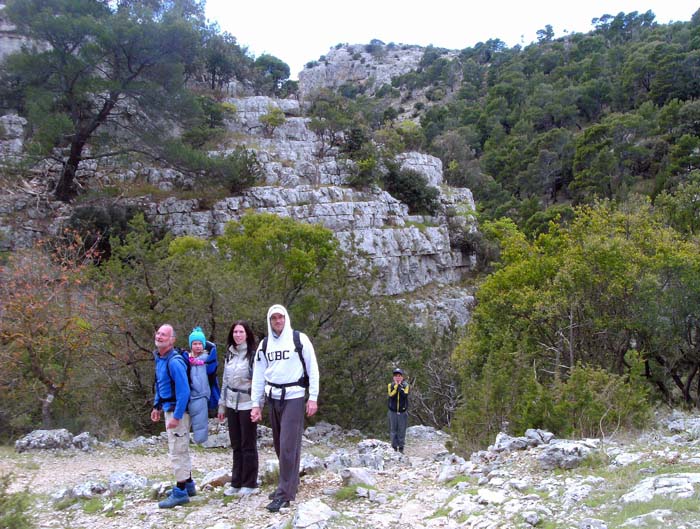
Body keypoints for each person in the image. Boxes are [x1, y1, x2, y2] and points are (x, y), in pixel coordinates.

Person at [251, 304, 319, 512]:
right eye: (274, 318)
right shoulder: (265, 345)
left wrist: (313, 397)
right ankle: (290, 483)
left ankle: (284, 494)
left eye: (280, 317)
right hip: (274, 398)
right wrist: (256, 403)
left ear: (286, 318)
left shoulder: (299, 339)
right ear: (269, 321)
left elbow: (312, 367)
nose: (277, 321)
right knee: (281, 446)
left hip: (294, 397)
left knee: (288, 444)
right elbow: (258, 375)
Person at [151, 324, 194, 508]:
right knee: (180, 446)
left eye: (164, 335)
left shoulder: (174, 361)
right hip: (169, 408)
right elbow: (161, 384)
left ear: (172, 340)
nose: (159, 336)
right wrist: (157, 406)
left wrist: (176, 416)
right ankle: (189, 484)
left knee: (178, 450)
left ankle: (180, 491)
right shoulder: (161, 359)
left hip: (178, 411)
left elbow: (184, 391)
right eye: (159, 333)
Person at [217, 320, 259, 496]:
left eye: (241, 332)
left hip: (247, 403)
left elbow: (258, 381)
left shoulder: (253, 356)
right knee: (236, 445)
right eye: (235, 332)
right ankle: (236, 481)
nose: (238, 335)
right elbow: (226, 381)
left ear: (247, 334)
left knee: (247, 444)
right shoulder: (230, 355)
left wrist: (257, 405)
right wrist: (221, 405)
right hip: (231, 403)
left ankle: (250, 483)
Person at [186, 326, 211, 445]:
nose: (197, 346)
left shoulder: (206, 359)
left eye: (200, 343)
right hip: (189, 395)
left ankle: (200, 441)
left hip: (201, 394)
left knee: (201, 421)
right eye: (195, 343)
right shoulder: (187, 359)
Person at [387, 367, 409, 453]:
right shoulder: (390, 385)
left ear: (402, 377)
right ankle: (394, 447)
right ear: (393, 377)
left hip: (402, 412)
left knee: (402, 430)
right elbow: (391, 395)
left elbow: (405, 395)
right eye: (396, 376)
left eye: (399, 376)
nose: (398, 377)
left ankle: (401, 448)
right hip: (392, 412)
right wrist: (396, 387)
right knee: (393, 430)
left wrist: (400, 388)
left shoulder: (406, 385)